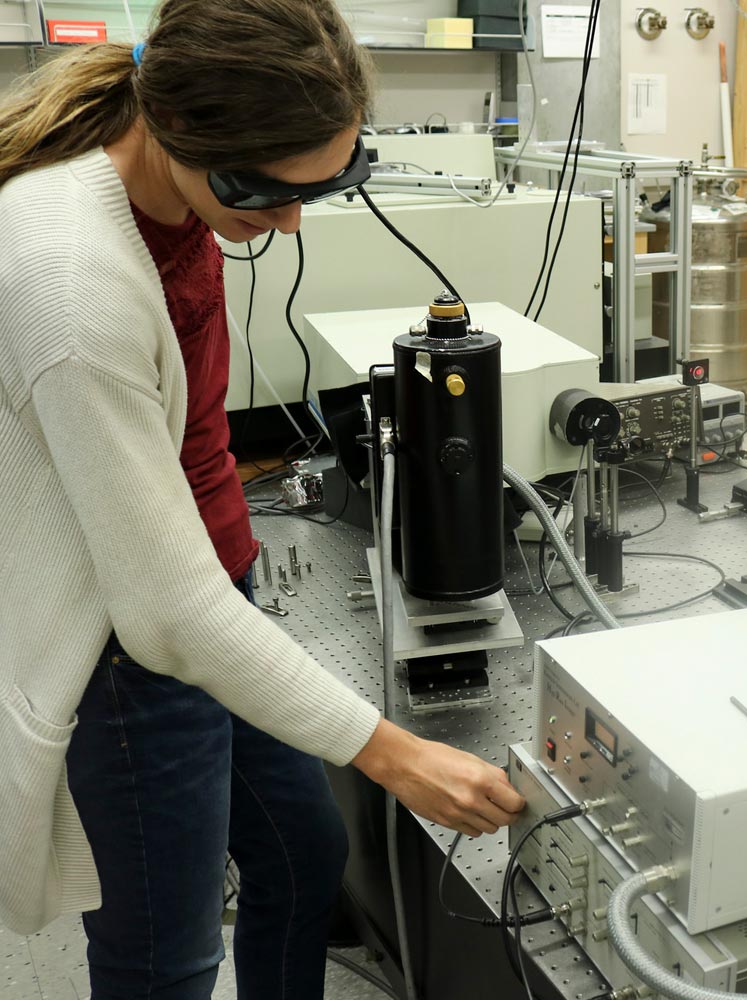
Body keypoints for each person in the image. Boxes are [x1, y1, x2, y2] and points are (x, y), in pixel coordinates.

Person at [0, 1, 526, 996]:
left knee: (302, 858)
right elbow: (163, 613)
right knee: (168, 956)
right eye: (266, 193)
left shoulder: (168, 184)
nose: (287, 222)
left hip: (211, 589)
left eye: (322, 188)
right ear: (178, 135)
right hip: (124, 655)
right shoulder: (70, 285)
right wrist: (396, 755)